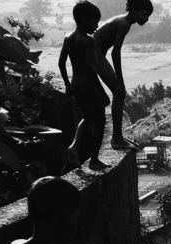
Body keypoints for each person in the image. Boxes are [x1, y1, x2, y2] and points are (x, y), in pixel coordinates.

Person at [59, 0, 116, 170]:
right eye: (94, 22)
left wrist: (67, 84)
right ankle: (94, 159)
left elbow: (61, 64)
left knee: (87, 118)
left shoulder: (68, 38)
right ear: (84, 20)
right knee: (99, 121)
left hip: (76, 84)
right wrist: (107, 89)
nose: (97, 26)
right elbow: (94, 67)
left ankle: (73, 147)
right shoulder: (88, 41)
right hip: (89, 85)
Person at [94, 0, 153, 150]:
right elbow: (115, 53)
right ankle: (116, 138)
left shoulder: (123, 21)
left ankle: (118, 136)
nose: (147, 19)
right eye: (145, 14)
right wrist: (120, 80)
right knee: (119, 92)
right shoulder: (124, 24)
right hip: (94, 55)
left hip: (96, 55)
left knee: (117, 93)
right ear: (134, 9)